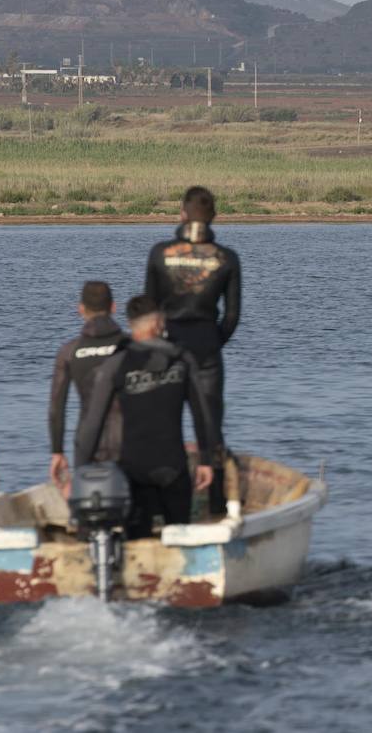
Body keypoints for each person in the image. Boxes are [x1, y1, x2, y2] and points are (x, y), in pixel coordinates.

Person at [74, 296, 219, 538]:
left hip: (133, 470)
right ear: (158, 323)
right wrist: (206, 459)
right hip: (173, 467)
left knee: (136, 541)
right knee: (179, 538)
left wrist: (80, 471)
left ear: (131, 324)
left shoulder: (116, 363)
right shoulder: (182, 359)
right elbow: (202, 414)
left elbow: (92, 423)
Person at [144, 185, 240, 513]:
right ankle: (215, 506)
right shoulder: (227, 259)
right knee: (209, 427)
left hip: (168, 346)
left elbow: (150, 308)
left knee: (162, 425)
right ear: (214, 216)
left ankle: (161, 506)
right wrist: (212, 342)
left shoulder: (160, 253)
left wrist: (160, 345)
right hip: (207, 349)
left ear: (182, 214)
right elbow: (231, 317)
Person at [48, 281, 125, 493]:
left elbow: (57, 408)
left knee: (88, 507)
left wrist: (57, 452)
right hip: (129, 441)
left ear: (81, 309)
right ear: (114, 307)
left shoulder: (70, 351)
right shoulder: (132, 346)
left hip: (87, 443)